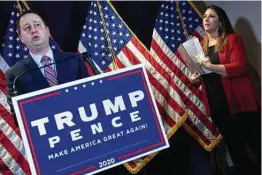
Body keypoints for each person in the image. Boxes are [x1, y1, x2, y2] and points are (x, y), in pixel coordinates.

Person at [190, 5, 261, 175]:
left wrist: (211, 66)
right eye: (205, 16)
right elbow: (204, 75)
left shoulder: (232, 39)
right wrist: (195, 79)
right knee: (235, 150)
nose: (206, 19)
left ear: (220, 22)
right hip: (218, 105)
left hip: (239, 104)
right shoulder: (200, 47)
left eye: (211, 16)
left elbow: (239, 67)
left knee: (255, 144)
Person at [5, 10, 90, 119]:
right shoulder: (15, 74)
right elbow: (19, 118)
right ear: (21, 38)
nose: (33, 30)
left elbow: (89, 95)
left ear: (48, 31)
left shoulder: (74, 59)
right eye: (27, 28)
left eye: (37, 25)